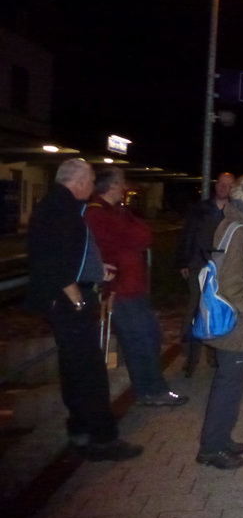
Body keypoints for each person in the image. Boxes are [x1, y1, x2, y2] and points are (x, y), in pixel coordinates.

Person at [25, 159, 143, 461]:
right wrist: (76, 298)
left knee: (76, 370)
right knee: (90, 373)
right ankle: (103, 439)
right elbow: (51, 258)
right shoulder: (59, 209)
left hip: (69, 299)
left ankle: (79, 431)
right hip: (69, 304)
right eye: (90, 181)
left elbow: (69, 253)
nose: (92, 187)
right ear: (78, 181)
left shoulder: (61, 206)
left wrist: (94, 270)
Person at [84, 167, 188, 406]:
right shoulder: (98, 214)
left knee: (149, 337)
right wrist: (131, 228)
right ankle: (151, 391)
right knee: (140, 340)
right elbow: (140, 236)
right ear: (111, 186)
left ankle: (152, 389)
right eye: (121, 182)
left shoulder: (115, 211)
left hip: (132, 288)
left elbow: (143, 234)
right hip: (120, 290)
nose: (124, 187)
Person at [197, 174, 243, 470]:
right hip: (236, 320)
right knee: (228, 384)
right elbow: (230, 281)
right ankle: (212, 448)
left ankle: (221, 438)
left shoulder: (237, 224)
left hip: (236, 318)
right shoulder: (240, 230)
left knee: (232, 382)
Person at [176, 172, 235, 373]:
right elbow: (187, 235)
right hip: (198, 264)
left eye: (228, 185)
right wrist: (184, 261)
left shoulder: (234, 211)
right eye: (221, 184)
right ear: (215, 185)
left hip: (223, 267)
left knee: (217, 308)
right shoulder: (200, 209)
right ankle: (189, 353)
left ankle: (214, 353)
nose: (223, 188)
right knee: (195, 306)